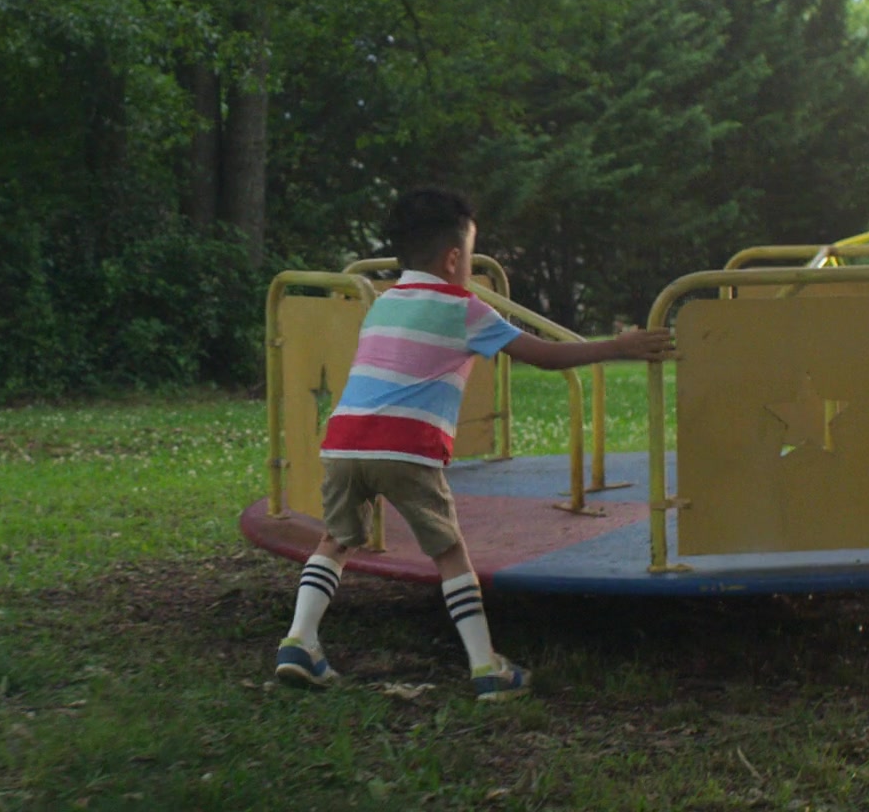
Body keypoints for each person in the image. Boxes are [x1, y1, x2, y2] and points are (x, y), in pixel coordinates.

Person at [274, 187, 676, 700]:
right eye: (470, 253)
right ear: (453, 258)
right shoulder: (465, 309)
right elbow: (543, 356)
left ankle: (299, 641)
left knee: (336, 539)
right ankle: (486, 666)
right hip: (407, 448)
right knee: (449, 552)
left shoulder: (383, 303)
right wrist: (617, 346)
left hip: (344, 443)